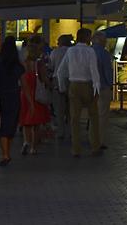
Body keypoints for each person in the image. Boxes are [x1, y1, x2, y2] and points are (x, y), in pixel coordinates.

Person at [56, 28, 102, 157]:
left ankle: (76, 149)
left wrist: (62, 87)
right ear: (87, 37)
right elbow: (94, 70)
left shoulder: (70, 51)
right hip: (88, 85)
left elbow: (61, 71)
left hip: (74, 85)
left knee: (74, 118)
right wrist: (96, 88)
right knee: (93, 116)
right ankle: (95, 146)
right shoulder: (90, 51)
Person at [0, 37, 24, 166]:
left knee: (2, 125)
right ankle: (7, 152)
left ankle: (5, 154)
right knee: (11, 125)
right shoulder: (18, 66)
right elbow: (24, 84)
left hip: (0, 97)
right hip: (14, 97)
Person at [19, 44, 51, 156]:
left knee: (25, 121)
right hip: (36, 93)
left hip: (24, 93)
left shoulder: (23, 63)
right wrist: (49, 84)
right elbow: (44, 78)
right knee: (36, 123)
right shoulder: (39, 64)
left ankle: (25, 141)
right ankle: (33, 147)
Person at [48, 34, 73, 139]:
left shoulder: (55, 52)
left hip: (57, 80)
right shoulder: (72, 52)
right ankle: (72, 131)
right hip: (71, 79)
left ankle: (61, 131)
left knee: (59, 108)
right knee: (71, 107)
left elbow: (51, 66)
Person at [92, 31, 114, 149]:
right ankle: (98, 141)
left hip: (89, 87)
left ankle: (92, 138)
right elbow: (107, 71)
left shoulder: (89, 51)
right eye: (104, 40)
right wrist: (110, 84)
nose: (106, 42)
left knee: (92, 114)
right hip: (102, 87)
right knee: (102, 115)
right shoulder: (103, 53)